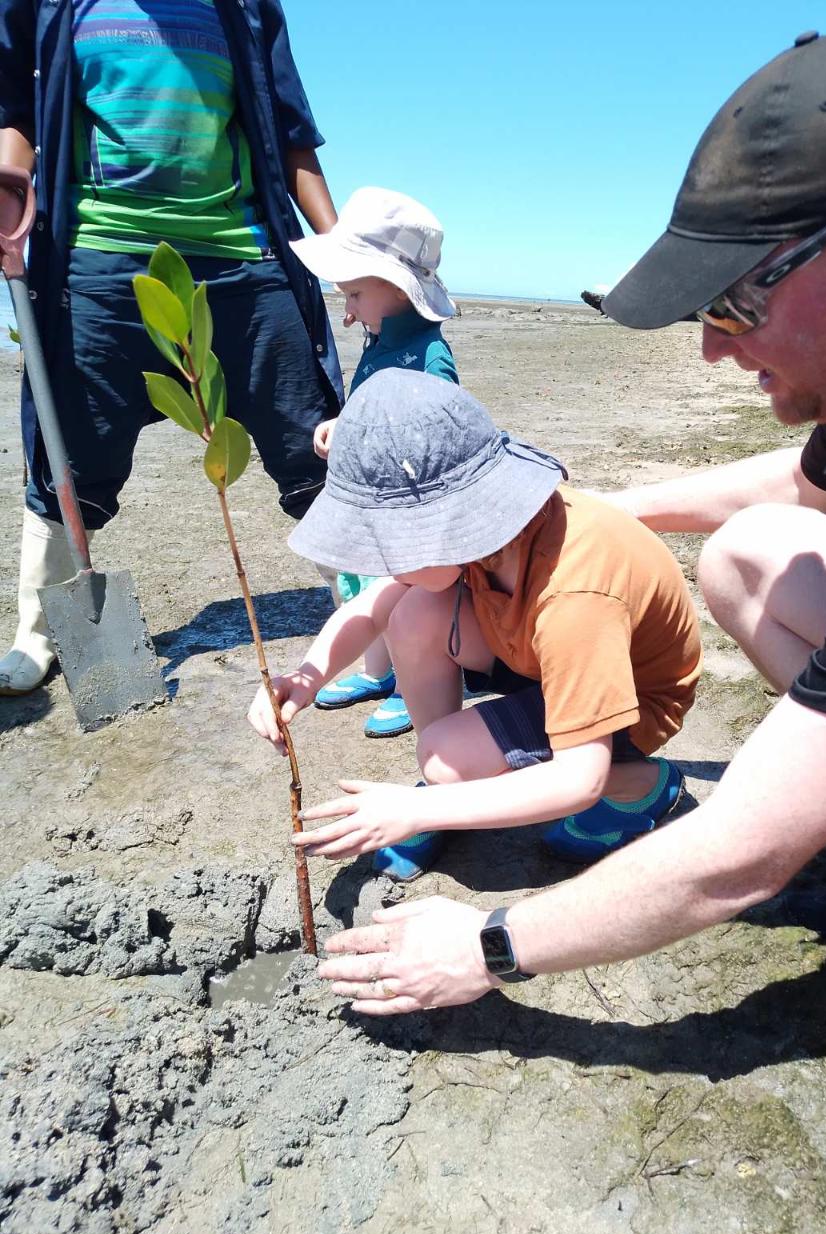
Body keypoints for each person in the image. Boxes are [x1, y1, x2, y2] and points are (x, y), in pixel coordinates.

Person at [310, 33, 826, 1177]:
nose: (710, 351)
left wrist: (492, 945)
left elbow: (740, 854)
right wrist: (602, 504)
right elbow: (797, 486)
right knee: (754, 554)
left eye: (736, 301)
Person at [0, 0, 343, 695]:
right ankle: (38, 630)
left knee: (310, 436)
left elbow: (288, 127)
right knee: (70, 448)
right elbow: (16, 102)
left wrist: (341, 247)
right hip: (96, 256)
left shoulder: (243, 7)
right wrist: (9, 185)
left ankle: (363, 603)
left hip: (241, 256)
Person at [248, 368, 700, 881]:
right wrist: (304, 679)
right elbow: (371, 609)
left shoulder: (574, 592)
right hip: (539, 654)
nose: (386, 566)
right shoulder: (493, 536)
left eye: (391, 544)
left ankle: (643, 784)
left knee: (446, 758)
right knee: (413, 611)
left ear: (448, 522)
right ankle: (455, 785)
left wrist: (416, 811)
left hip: (631, 698)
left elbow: (580, 778)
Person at [291, 187, 458, 740]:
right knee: (358, 583)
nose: (348, 308)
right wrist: (343, 427)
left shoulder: (429, 354)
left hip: (407, 502)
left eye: (355, 293)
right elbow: (367, 404)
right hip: (367, 494)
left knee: (400, 594)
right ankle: (376, 672)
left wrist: (357, 431)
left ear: (397, 288)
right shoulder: (377, 337)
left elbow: (434, 429)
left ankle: (416, 688)